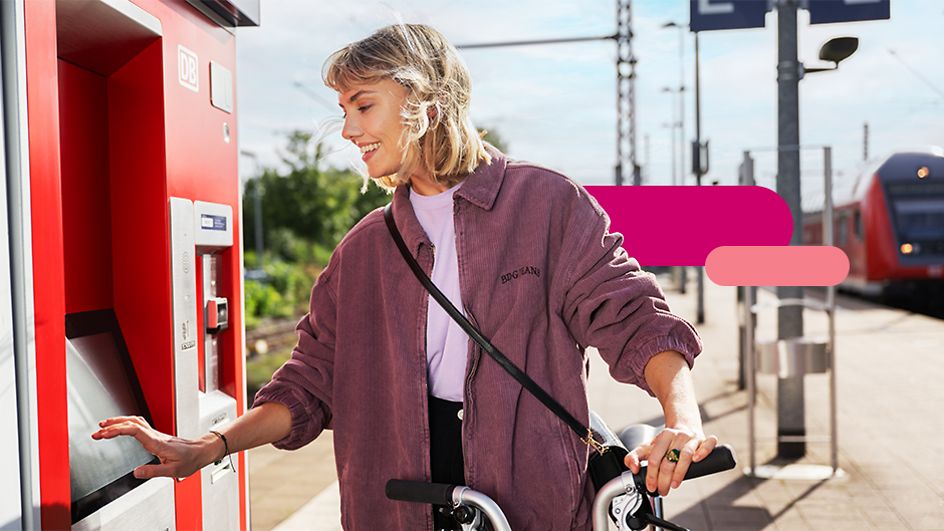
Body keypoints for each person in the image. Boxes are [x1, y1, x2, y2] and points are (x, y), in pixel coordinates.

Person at [93, 24, 718, 531]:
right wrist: (210, 447)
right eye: (343, 109)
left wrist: (681, 418)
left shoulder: (548, 206)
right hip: (394, 508)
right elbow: (308, 383)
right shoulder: (363, 251)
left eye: (363, 105)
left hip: (537, 508)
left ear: (426, 102)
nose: (347, 130)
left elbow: (633, 317)